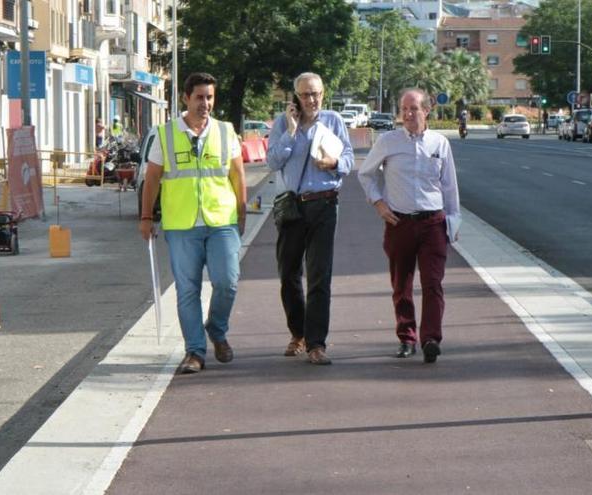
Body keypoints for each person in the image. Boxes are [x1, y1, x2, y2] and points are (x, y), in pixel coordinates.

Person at [139, 72, 247, 374]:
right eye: (199, 97)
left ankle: (217, 329)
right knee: (188, 290)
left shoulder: (226, 132)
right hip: (181, 224)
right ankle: (195, 351)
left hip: (221, 220)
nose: (205, 103)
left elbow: (237, 175)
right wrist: (146, 217)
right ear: (186, 98)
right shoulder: (165, 134)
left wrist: (241, 212)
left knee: (228, 282)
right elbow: (152, 180)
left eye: (210, 97)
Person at [357, 88, 461, 364]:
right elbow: (365, 174)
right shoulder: (388, 142)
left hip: (433, 222)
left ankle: (430, 339)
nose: (408, 114)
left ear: (426, 111)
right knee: (401, 284)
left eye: (413, 108)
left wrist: (454, 220)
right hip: (400, 222)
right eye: (404, 109)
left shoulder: (439, 143)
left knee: (433, 283)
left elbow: (449, 185)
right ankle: (406, 338)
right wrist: (379, 204)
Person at [266, 72, 354, 365]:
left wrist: (334, 163)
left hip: (325, 205)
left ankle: (316, 343)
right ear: (295, 96)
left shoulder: (334, 121)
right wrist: (291, 132)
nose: (311, 100)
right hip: (292, 207)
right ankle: (298, 333)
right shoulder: (282, 123)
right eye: (305, 95)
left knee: (319, 276)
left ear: (323, 93)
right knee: (288, 273)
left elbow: (349, 159)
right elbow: (273, 162)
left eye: (315, 93)